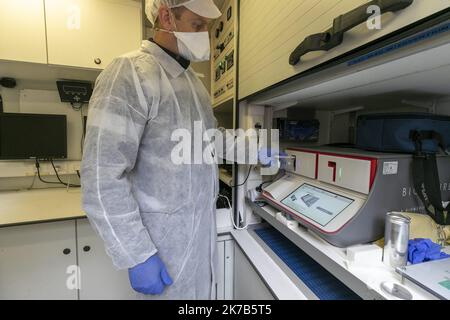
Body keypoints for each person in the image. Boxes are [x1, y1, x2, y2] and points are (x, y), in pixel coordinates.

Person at [81, 0, 222, 300]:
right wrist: (137, 254)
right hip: (159, 245)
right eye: (197, 25)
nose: (204, 36)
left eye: (206, 28)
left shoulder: (195, 86)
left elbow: (207, 142)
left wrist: (254, 149)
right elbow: (101, 175)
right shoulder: (130, 73)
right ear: (167, 16)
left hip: (197, 244)